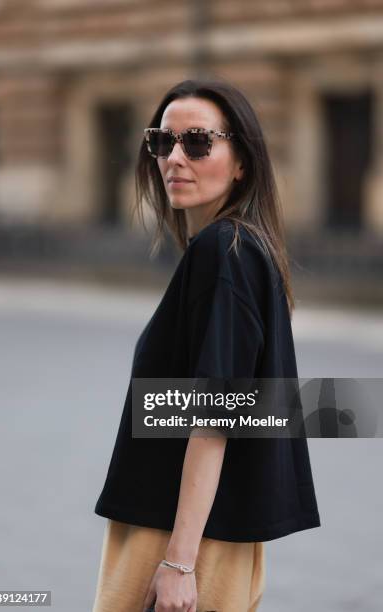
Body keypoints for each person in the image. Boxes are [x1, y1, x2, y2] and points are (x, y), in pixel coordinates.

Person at [92, 78, 321, 612]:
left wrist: (178, 563)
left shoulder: (227, 253)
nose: (174, 158)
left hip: (179, 535)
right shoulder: (238, 249)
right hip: (204, 531)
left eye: (197, 142)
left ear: (242, 162)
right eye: (161, 141)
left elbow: (214, 417)